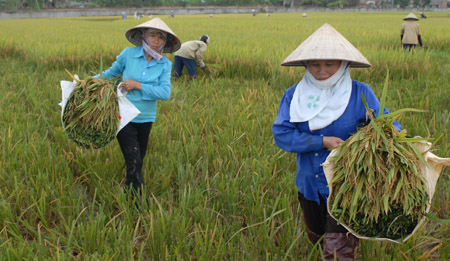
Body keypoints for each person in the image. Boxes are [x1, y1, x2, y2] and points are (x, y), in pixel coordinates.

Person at [272, 23, 400, 260]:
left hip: (348, 185)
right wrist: (322, 141)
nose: (321, 71)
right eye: (315, 64)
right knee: (318, 237)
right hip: (309, 183)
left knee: (338, 250)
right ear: (305, 65)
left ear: (343, 64)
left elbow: (390, 127)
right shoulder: (294, 96)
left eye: (329, 64)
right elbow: (282, 134)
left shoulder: (360, 93)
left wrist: (383, 134)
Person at [96, 18, 180, 196]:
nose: (156, 41)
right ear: (144, 36)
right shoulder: (129, 54)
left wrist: (137, 85)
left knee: (138, 158)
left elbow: (164, 93)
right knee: (134, 160)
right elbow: (110, 73)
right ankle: (137, 200)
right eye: (152, 35)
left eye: (160, 37)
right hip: (124, 115)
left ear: (165, 41)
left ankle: (130, 192)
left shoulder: (164, 64)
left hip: (146, 117)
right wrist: (87, 83)